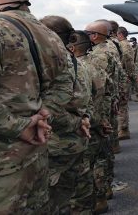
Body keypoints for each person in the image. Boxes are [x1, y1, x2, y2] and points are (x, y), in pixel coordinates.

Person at [0, 0, 72, 214]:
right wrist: (41, 116)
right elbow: (65, 83)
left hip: (3, 160)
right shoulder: (49, 34)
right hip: (36, 152)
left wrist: (20, 126)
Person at [40, 15, 92, 214]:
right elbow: (87, 99)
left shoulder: (49, 64)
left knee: (55, 201)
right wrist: (84, 120)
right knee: (79, 194)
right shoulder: (76, 61)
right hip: (77, 141)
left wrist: (78, 122)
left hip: (57, 145)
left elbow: (50, 111)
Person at [67, 30, 109, 213]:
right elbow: (108, 90)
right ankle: (101, 197)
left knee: (83, 172)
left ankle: (93, 202)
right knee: (98, 162)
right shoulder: (94, 66)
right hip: (97, 120)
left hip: (83, 125)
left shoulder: (74, 69)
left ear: (72, 47)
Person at [85, 20, 119, 213]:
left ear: (95, 36)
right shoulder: (110, 49)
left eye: (88, 33)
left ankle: (101, 192)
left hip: (100, 106)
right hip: (108, 102)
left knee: (99, 153)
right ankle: (106, 186)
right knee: (105, 150)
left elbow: (99, 84)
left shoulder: (99, 55)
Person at [116, 27, 135, 140]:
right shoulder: (122, 44)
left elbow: (128, 60)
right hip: (122, 76)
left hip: (123, 76)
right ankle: (122, 128)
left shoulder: (124, 44)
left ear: (121, 34)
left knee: (122, 104)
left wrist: (129, 74)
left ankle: (123, 129)